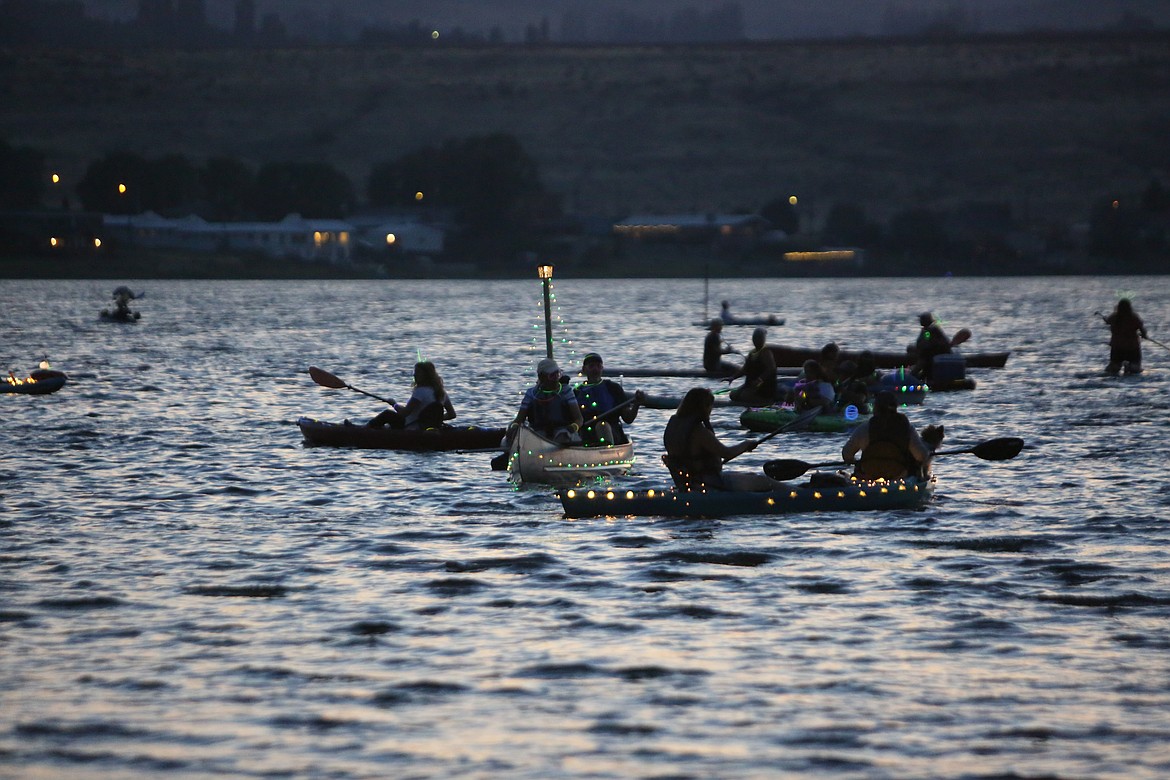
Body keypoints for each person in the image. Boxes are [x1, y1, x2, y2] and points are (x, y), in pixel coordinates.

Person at [663, 387, 779, 491]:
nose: (710, 410)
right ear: (702, 407)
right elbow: (726, 453)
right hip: (708, 484)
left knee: (751, 476)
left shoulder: (673, 426)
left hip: (686, 484)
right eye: (709, 406)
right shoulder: (699, 432)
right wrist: (745, 445)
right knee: (765, 482)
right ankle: (796, 494)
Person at [841, 391, 944, 480]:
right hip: (898, 476)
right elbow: (921, 456)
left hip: (868, 476)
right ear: (895, 407)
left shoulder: (864, 428)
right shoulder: (906, 428)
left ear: (875, 408)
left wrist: (855, 461)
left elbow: (846, 454)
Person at [573, 352, 644, 446]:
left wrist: (637, 404)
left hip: (612, 433)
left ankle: (607, 449)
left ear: (602, 368)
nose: (595, 369)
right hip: (586, 434)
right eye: (591, 366)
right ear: (584, 369)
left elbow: (628, 418)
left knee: (602, 425)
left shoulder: (613, 388)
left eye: (598, 366)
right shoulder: (576, 392)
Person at [509, 357, 584, 444]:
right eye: (552, 376)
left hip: (563, 431)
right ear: (541, 377)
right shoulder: (531, 394)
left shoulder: (566, 391)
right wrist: (513, 427)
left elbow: (579, 419)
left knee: (561, 436)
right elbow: (519, 420)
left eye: (558, 375)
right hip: (538, 433)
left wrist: (572, 428)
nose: (556, 379)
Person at [367, 360, 456, 430]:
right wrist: (434, 421)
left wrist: (394, 404)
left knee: (387, 414)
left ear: (426, 375)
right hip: (429, 427)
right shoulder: (441, 392)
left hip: (410, 426)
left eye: (417, 372)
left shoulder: (420, 391)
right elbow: (452, 414)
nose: (414, 375)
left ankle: (365, 430)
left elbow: (404, 413)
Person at [727, 327, 778, 405]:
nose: (756, 340)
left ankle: (767, 401)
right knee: (733, 395)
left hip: (763, 386)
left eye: (758, 338)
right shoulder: (752, 353)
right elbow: (744, 369)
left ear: (763, 339)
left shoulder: (766, 352)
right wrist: (733, 377)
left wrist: (760, 379)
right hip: (751, 384)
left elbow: (771, 369)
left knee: (744, 396)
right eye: (754, 338)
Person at [1104, 298, 1148, 375]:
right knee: (1135, 367)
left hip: (1117, 347)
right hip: (1132, 347)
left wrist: (1106, 319)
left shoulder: (1114, 317)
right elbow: (1143, 331)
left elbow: (1108, 321)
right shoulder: (1134, 317)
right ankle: (1130, 367)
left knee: (1113, 367)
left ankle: (1116, 367)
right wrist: (1144, 335)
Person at [913, 312, 952, 380]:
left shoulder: (930, 330)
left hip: (932, 356)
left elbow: (927, 343)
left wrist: (921, 352)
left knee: (920, 365)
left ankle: (913, 376)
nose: (920, 321)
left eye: (921, 319)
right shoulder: (928, 330)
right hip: (930, 355)